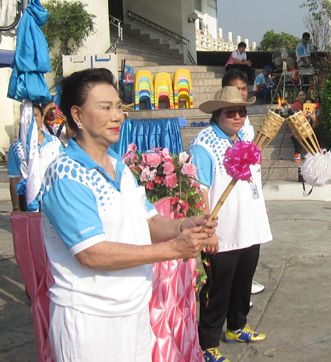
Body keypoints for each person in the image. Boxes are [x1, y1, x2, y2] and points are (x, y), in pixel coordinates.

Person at [40, 68, 216, 362]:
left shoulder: (119, 167)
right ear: (77, 115)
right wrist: (172, 249)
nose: (117, 116)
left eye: (119, 107)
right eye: (105, 107)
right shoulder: (67, 173)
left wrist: (184, 225)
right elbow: (92, 254)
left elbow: (148, 222)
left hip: (133, 309)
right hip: (91, 319)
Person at [188, 86, 272, 362]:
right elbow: (199, 190)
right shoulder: (204, 144)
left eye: (242, 111)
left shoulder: (244, 138)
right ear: (217, 114)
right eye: (230, 112)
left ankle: (237, 326)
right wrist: (207, 230)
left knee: (243, 282)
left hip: (249, 226)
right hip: (221, 232)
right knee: (217, 289)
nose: (237, 117)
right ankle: (207, 344)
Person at [222, 69, 265, 296]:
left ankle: (245, 285)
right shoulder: (214, 139)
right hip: (228, 209)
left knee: (250, 247)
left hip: (250, 196)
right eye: (236, 89)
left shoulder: (246, 127)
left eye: (243, 89)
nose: (241, 94)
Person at [8, 103, 62, 212]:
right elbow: (14, 179)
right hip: (28, 200)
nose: (32, 119)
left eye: (36, 115)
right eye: (28, 116)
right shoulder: (16, 147)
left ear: (42, 117)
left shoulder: (55, 142)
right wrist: (16, 207)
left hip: (53, 198)